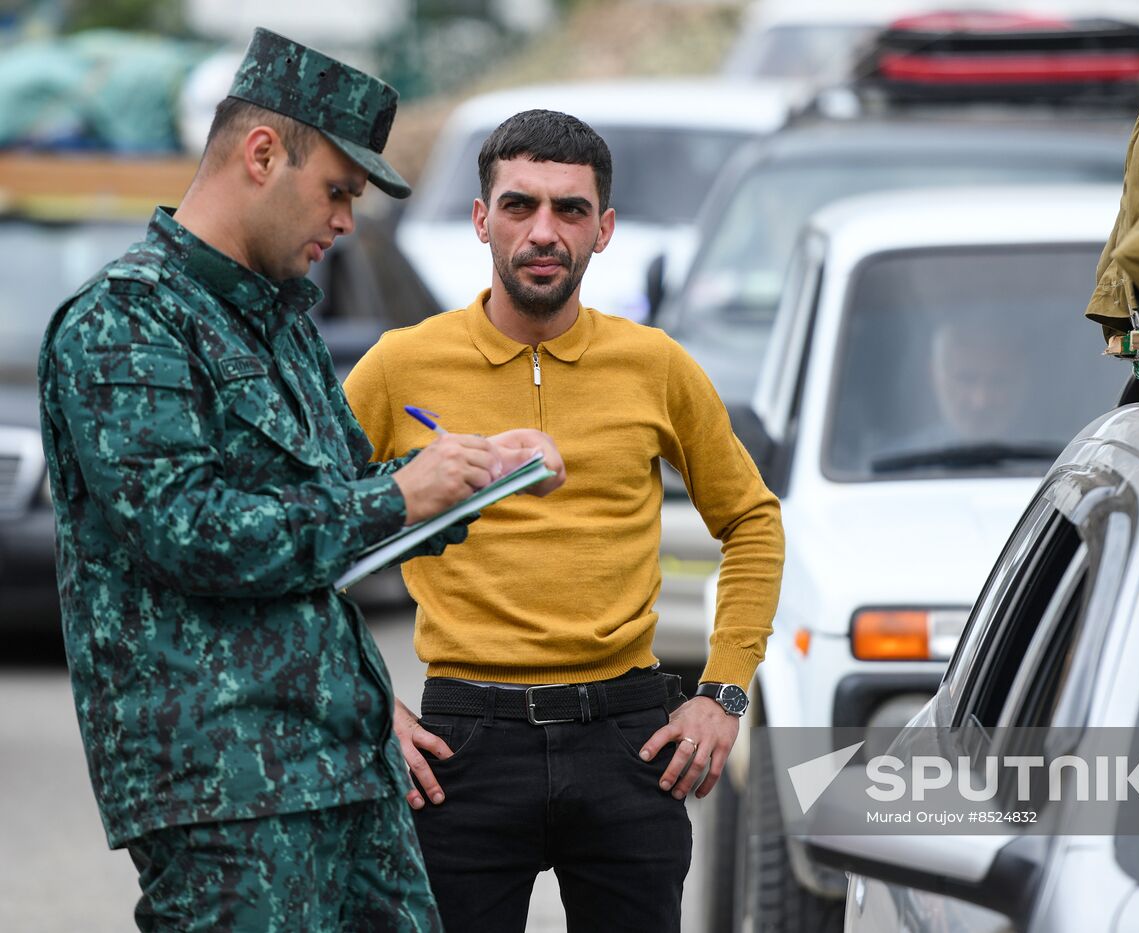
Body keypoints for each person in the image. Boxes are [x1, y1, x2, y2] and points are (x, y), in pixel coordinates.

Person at [37, 29, 562, 931]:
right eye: (337, 191)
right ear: (261, 153)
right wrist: (399, 493)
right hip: (225, 795)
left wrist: (472, 476)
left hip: (343, 764)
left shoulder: (282, 324)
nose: (347, 221)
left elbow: (339, 517)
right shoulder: (125, 324)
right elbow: (191, 532)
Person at [342, 109, 786, 933]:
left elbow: (753, 520)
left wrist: (723, 692)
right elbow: (300, 532)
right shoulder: (401, 364)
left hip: (627, 739)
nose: (544, 231)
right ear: (482, 219)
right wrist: (366, 703)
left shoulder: (655, 365)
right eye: (520, 206)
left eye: (570, 210)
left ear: (604, 229)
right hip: (461, 744)